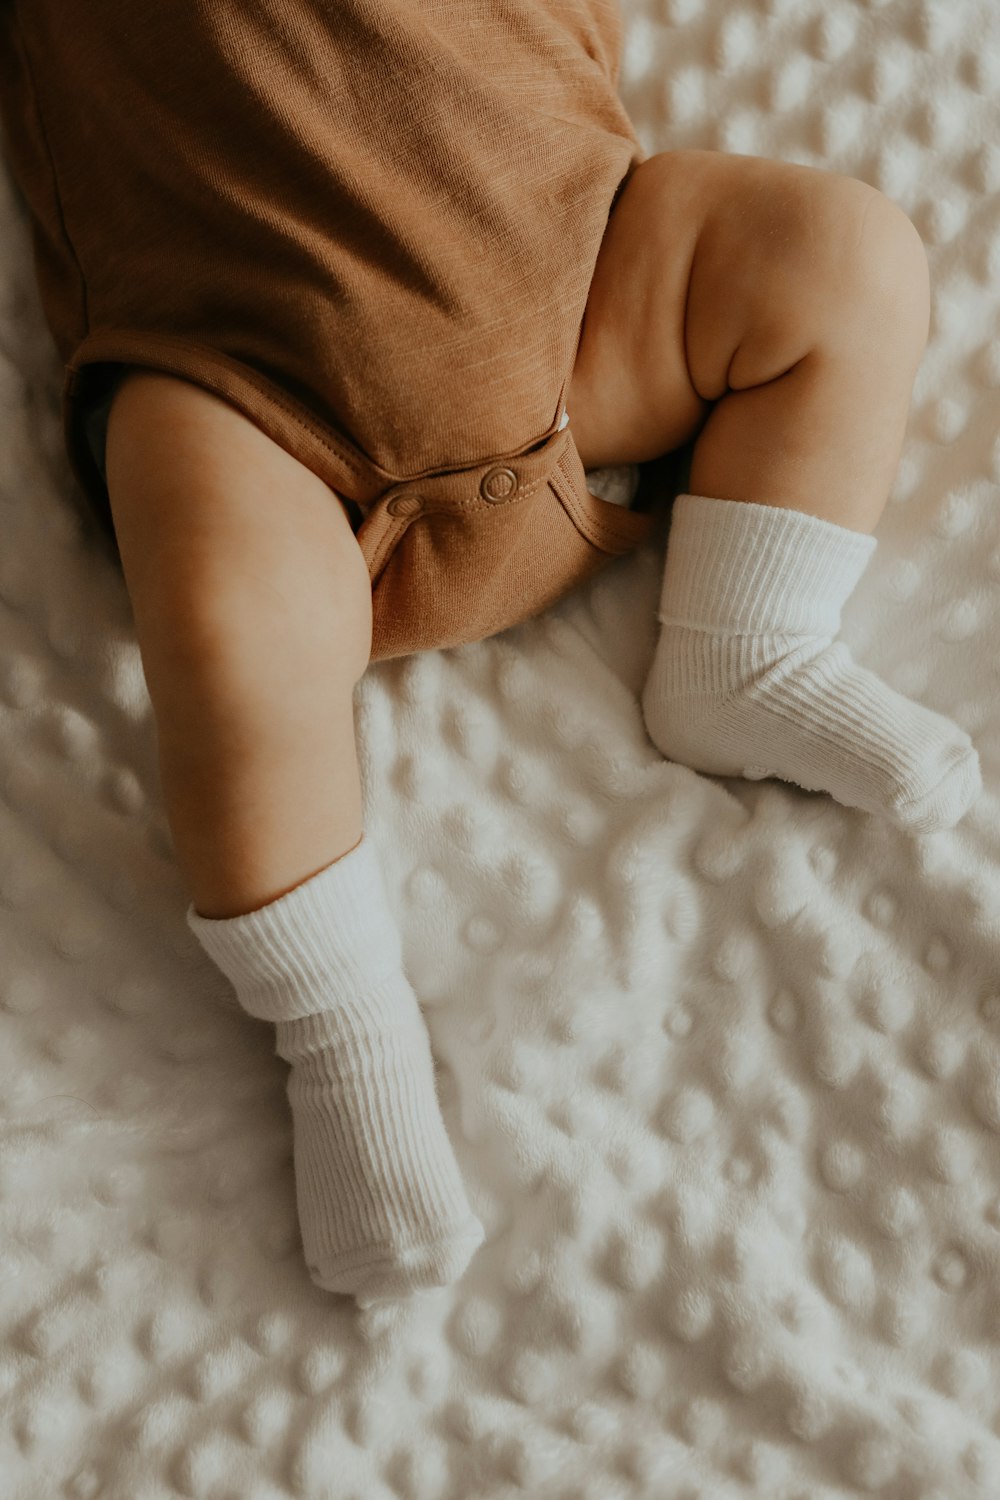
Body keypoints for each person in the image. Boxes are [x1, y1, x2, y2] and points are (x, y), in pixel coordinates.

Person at [0, 0, 980, 1306]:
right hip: (250, 403)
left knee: (843, 256)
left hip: (586, 290)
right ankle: (341, 1027)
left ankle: (747, 641)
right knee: (231, 625)